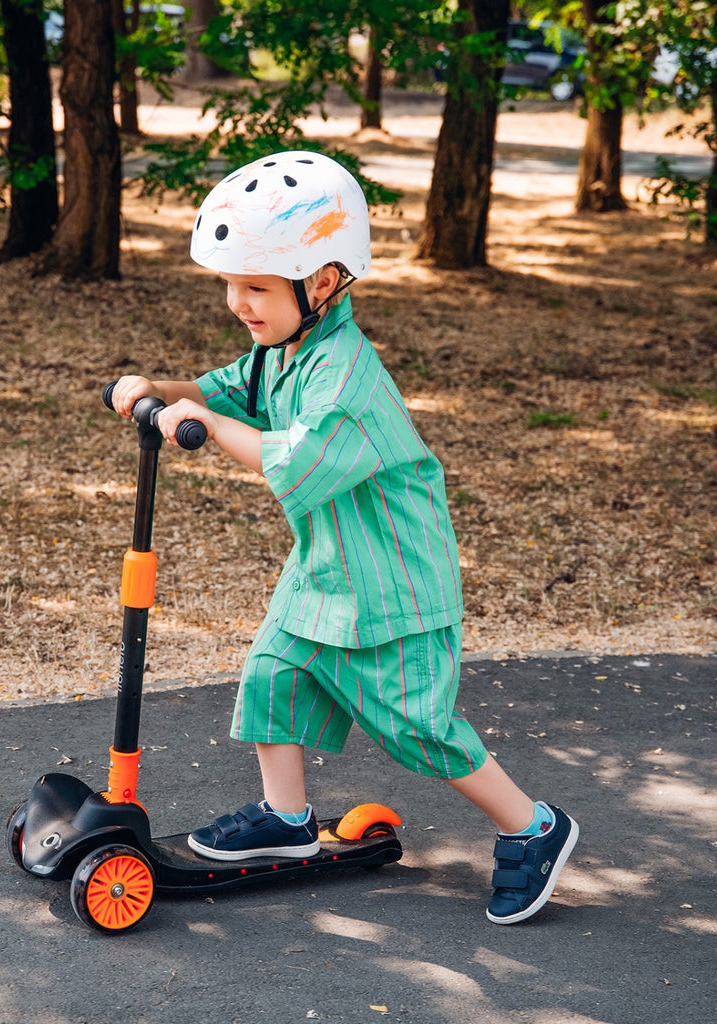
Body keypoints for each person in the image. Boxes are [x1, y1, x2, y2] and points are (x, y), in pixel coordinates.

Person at [108, 151, 578, 924]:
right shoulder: (284, 350)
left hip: (394, 581)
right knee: (273, 678)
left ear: (322, 282)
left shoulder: (348, 379)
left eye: (256, 287)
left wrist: (212, 425)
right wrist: (161, 391)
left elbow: (290, 458)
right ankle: (286, 820)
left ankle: (532, 826)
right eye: (232, 284)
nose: (238, 303)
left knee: (416, 727)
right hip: (327, 567)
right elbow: (222, 389)